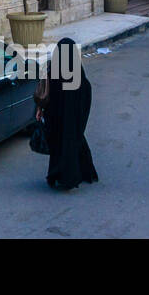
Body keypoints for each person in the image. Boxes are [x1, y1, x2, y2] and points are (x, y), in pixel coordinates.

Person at [34, 37, 99, 190]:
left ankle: (58, 175)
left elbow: (45, 94)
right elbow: (86, 92)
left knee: (59, 146)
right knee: (74, 142)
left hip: (56, 119)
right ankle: (76, 175)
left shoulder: (53, 70)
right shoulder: (77, 73)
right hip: (73, 119)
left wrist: (40, 110)